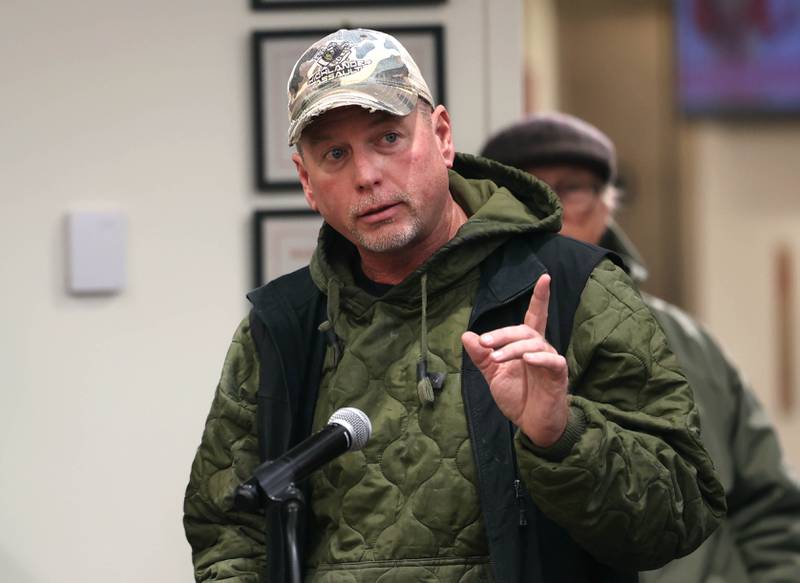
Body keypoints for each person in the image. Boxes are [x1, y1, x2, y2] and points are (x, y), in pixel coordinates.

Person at [183, 29, 726, 583]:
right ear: (307, 181)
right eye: (335, 154)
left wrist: (562, 434)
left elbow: (679, 517)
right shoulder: (283, 325)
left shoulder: (573, 286)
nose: (366, 175)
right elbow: (227, 533)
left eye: (388, 138)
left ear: (442, 136)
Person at [480, 111, 800, 583]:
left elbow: (769, 507)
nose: (550, 209)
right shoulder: (475, 343)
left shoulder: (684, 340)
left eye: (572, 190)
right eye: (527, 190)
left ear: (607, 205)